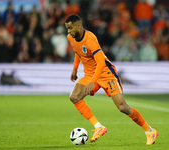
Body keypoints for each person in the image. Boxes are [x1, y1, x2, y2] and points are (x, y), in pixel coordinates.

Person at [65, 14, 158, 145]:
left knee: (122, 107)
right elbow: (78, 51)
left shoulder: (90, 38)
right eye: (67, 28)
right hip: (90, 74)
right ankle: (98, 127)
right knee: (74, 97)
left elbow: (101, 62)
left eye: (70, 28)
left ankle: (149, 131)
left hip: (106, 73)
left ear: (78, 26)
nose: (68, 31)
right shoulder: (71, 37)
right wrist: (75, 68)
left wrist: (92, 82)